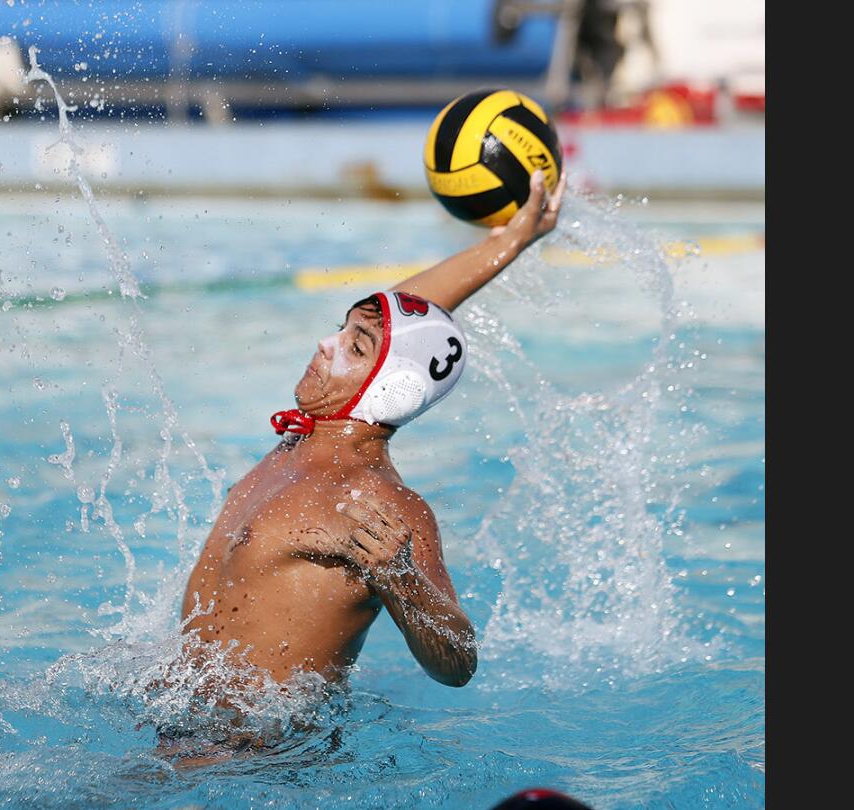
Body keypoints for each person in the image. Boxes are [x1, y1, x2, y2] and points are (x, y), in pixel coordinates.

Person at [164, 169, 568, 761]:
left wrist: (401, 579)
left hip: (250, 762)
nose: (326, 345)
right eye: (341, 330)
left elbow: (459, 663)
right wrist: (511, 240)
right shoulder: (300, 443)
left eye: (354, 347)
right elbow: (407, 321)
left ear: (388, 390)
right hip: (182, 727)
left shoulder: (381, 503)